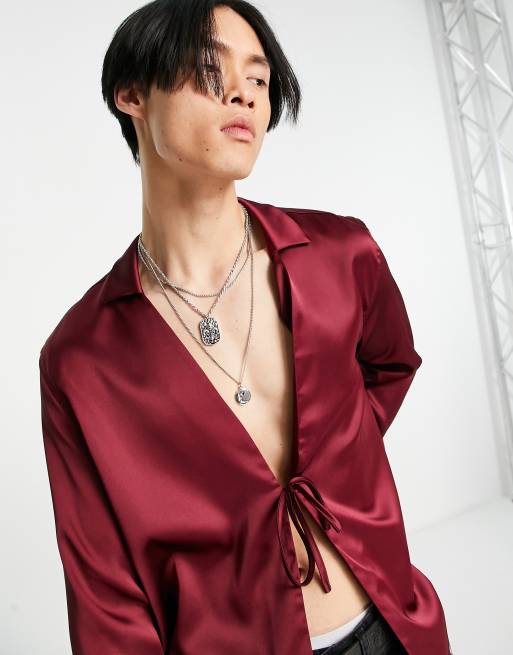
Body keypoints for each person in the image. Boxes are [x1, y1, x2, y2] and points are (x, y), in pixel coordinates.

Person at [38, 1, 452, 653]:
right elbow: (106, 596)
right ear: (132, 94)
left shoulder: (341, 254)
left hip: (389, 626)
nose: (244, 94)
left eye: (258, 78)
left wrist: (341, 466)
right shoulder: (82, 360)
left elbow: (389, 366)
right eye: (210, 68)